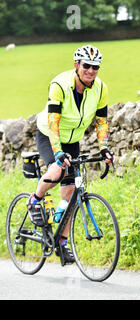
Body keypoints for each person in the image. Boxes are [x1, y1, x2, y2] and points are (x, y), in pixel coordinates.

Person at [27, 44, 114, 265]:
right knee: (57, 171)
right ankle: (34, 200)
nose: (91, 70)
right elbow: (53, 123)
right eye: (86, 65)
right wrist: (58, 152)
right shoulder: (60, 84)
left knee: (71, 194)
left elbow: (101, 121)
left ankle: (62, 243)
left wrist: (104, 147)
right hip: (50, 134)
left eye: (95, 67)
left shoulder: (101, 88)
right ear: (76, 65)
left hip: (73, 139)